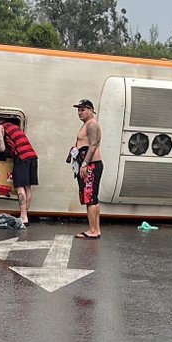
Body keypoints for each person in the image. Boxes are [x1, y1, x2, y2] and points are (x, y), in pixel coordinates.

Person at [0, 119, 38, 226]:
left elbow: (2, 147)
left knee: (19, 187)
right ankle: (25, 214)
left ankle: (23, 217)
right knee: (27, 187)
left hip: (21, 157)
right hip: (32, 156)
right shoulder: (15, 127)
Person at [72, 99, 103, 239]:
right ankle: (95, 228)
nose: (80, 112)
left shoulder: (92, 125)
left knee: (90, 198)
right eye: (78, 109)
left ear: (91, 110)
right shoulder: (87, 124)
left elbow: (93, 145)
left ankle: (93, 230)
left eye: (83, 109)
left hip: (91, 165)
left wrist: (84, 164)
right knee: (92, 198)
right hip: (90, 164)